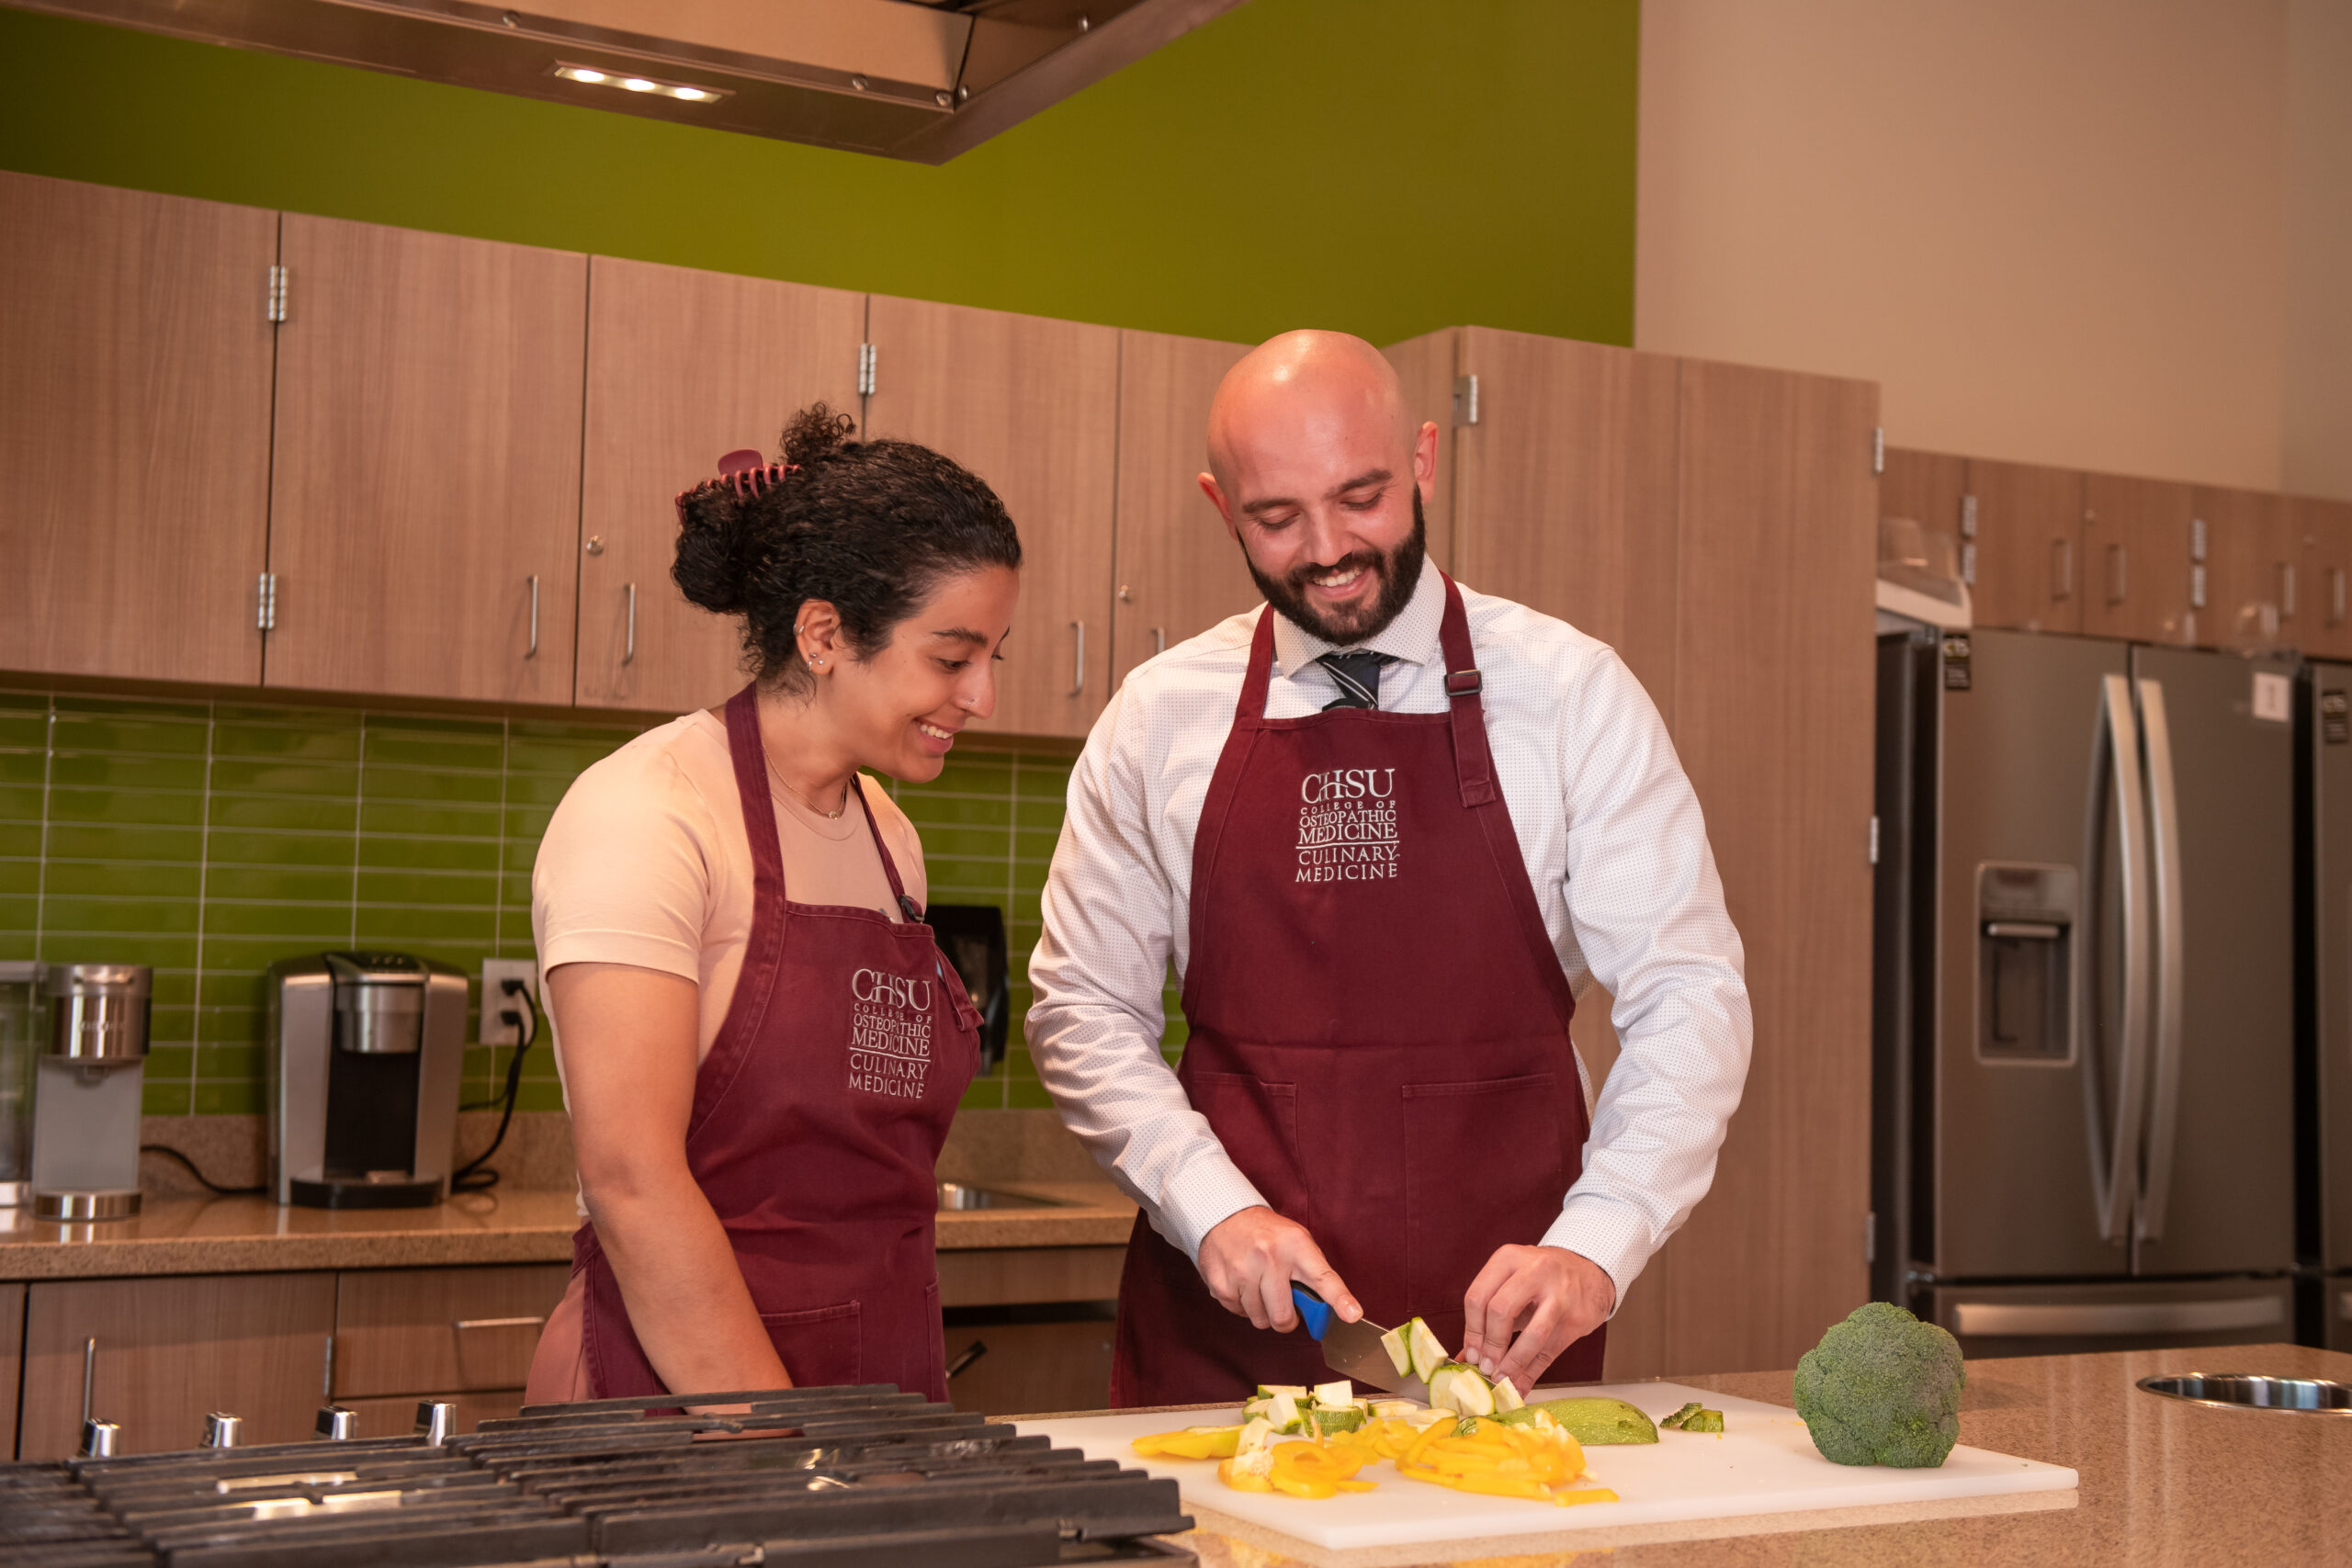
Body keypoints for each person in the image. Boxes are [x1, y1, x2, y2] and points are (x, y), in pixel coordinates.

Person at [1027, 333, 1753, 1405]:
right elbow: (1082, 1005)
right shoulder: (1157, 716)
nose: (1327, 548)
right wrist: (1209, 1206)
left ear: (1422, 459)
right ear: (1222, 506)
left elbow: (1688, 993)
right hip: (1227, 1341)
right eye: (1276, 519)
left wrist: (1599, 1241)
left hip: (1505, 1345)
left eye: (1360, 496)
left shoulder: (1568, 694)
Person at [524, 404, 1021, 1404]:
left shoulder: (890, 838)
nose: (982, 699)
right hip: (684, 1401)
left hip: (879, 1384)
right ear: (825, 633)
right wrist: (776, 1441)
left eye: (991, 660)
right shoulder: (647, 814)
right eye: (951, 658)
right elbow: (631, 1183)